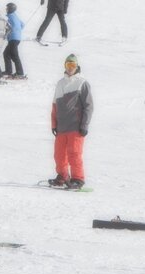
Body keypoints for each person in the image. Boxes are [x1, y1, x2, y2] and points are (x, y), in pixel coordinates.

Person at [48, 54, 92, 190]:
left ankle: (78, 179)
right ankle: (63, 176)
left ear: (77, 66)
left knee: (74, 153)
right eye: (68, 65)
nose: (70, 68)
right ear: (65, 66)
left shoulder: (82, 83)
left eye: (73, 65)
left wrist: (84, 125)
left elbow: (89, 106)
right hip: (62, 127)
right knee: (59, 154)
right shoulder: (60, 83)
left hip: (75, 127)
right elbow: (55, 105)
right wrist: (54, 124)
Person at [3, 3, 26, 79]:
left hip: (13, 39)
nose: (6, 9)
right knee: (7, 54)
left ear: (10, 9)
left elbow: (10, 28)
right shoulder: (15, 16)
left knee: (14, 55)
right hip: (16, 39)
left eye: (7, 8)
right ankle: (8, 71)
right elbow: (22, 24)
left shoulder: (9, 17)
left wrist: (6, 35)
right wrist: (18, 31)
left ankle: (20, 73)